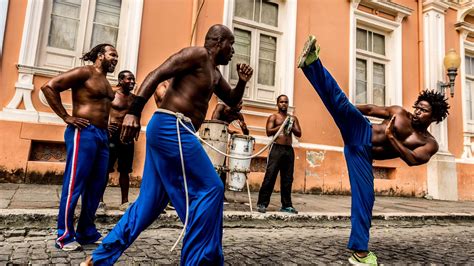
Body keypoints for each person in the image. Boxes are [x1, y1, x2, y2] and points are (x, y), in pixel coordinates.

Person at [82, 24, 253, 265]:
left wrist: (243, 82)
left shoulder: (214, 73)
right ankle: (200, 261)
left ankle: (98, 259)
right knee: (212, 187)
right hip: (171, 126)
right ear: (218, 42)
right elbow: (156, 74)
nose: (233, 51)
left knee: (149, 204)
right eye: (231, 44)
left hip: (173, 131)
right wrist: (134, 111)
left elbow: (232, 99)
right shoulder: (196, 55)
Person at [297, 35, 450, 265]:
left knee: (365, 199)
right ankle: (312, 62)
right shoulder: (399, 113)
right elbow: (370, 108)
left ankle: (359, 253)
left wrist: (391, 137)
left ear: (434, 117)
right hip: (361, 131)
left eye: (424, 110)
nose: (417, 111)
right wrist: (346, 110)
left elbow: (411, 160)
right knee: (339, 101)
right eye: (417, 107)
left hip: (362, 155)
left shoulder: (429, 143)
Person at [41, 43, 118, 251]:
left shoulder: (106, 82)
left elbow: (102, 106)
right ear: (100, 55)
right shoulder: (85, 72)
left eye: (117, 56)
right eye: (112, 54)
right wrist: (66, 117)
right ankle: (64, 235)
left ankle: (86, 232)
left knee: (96, 186)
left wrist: (106, 125)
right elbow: (49, 86)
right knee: (74, 184)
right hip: (83, 133)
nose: (115, 59)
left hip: (101, 136)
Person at [98, 70, 137, 213]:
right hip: (111, 136)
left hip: (127, 138)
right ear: (120, 80)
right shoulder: (111, 93)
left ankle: (124, 202)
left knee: (125, 171)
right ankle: (99, 200)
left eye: (133, 79)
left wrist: (135, 129)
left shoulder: (134, 98)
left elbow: (135, 116)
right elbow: (101, 110)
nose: (132, 82)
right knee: (104, 169)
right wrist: (105, 126)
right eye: (129, 79)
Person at [256, 94, 302, 214]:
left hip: (288, 150)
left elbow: (299, 133)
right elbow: (268, 132)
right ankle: (262, 203)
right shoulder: (273, 117)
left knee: (287, 179)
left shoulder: (293, 118)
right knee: (270, 176)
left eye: (286, 102)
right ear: (277, 103)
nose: (284, 104)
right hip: (276, 149)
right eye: (281, 102)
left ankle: (286, 205)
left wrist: (290, 126)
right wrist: (282, 126)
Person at [211, 100, 249, 203]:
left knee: (223, 168)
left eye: (241, 104)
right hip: (213, 138)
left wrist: (245, 128)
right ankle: (210, 192)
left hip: (223, 140)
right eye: (239, 103)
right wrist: (229, 130)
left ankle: (221, 194)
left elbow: (246, 133)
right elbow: (214, 121)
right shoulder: (221, 107)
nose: (240, 106)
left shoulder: (238, 115)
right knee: (213, 166)